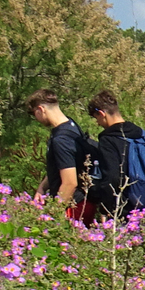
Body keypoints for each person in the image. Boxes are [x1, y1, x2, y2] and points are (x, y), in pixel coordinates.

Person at [26, 88, 89, 219]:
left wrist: (53, 213)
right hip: (80, 201)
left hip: (74, 206)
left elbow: (70, 182)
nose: (36, 118)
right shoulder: (71, 126)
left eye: (34, 114)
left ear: (41, 109)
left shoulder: (61, 139)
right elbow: (62, 166)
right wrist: (42, 188)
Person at [84, 90, 145, 220]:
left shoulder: (108, 140)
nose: (98, 123)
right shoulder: (142, 134)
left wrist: (107, 208)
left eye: (97, 118)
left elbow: (112, 178)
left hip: (127, 210)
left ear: (102, 114)